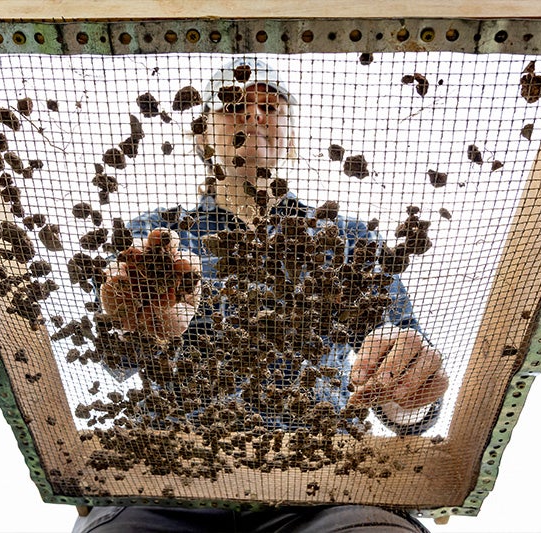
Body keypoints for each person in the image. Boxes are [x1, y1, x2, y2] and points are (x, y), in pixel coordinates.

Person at [75, 58, 447, 533]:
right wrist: (148, 332)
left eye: (269, 105)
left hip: (322, 484)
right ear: (201, 135)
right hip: (168, 479)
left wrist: (408, 389)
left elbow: (405, 402)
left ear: (290, 139)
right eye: (232, 104)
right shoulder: (151, 238)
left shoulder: (350, 244)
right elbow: (112, 360)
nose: (252, 115)